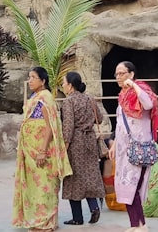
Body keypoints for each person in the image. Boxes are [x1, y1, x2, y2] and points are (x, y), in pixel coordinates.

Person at [12, 67, 72, 232]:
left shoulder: (45, 98)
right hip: (29, 151)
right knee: (34, 186)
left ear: (43, 80)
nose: (30, 80)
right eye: (29, 77)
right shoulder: (35, 97)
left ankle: (45, 222)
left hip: (41, 151)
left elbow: (49, 126)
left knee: (44, 185)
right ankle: (37, 219)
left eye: (33, 77)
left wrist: (42, 150)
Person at [109, 61, 158, 232]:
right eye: (116, 74)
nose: (118, 77)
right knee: (127, 186)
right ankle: (134, 224)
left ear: (131, 74)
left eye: (122, 73)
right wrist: (114, 144)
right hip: (125, 149)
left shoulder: (142, 91)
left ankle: (142, 224)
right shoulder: (122, 97)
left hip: (139, 147)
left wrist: (134, 86)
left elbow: (148, 104)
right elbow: (119, 123)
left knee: (135, 186)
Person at [60, 71, 106, 226]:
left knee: (74, 178)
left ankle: (77, 217)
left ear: (70, 85)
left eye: (64, 83)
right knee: (90, 175)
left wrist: (64, 148)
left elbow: (68, 127)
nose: (63, 86)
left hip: (76, 142)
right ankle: (94, 207)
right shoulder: (89, 98)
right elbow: (99, 118)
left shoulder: (68, 102)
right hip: (90, 140)